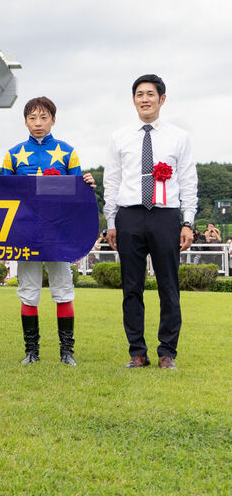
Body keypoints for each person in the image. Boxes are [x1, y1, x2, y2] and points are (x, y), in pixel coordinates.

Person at [104, 74, 197, 370]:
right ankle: (137, 352)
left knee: (168, 286)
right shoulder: (119, 137)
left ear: (162, 99)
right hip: (129, 215)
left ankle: (167, 351)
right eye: (139, 94)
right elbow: (112, 181)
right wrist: (111, 221)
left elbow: (188, 180)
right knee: (132, 287)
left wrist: (188, 221)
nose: (145, 99)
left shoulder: (179, 137)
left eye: (150, 94)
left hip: (165, 216)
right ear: (133, 100)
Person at [0, 96, 96, 366]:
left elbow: (77, 192)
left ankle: (67, 352)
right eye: (32, 118)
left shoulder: (68, 151)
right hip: (26, 232)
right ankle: (31, 352)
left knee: (63, 290)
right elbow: (3, 193)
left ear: (53, 119)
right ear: (25, 121)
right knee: (28, 290)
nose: (38, 123)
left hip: (58, 234)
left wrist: (86, 182)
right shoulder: (12, 153)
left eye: (43, 117)